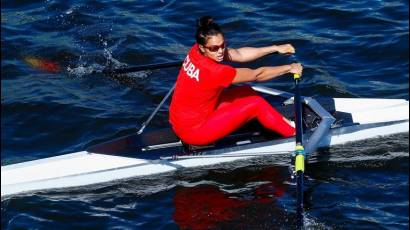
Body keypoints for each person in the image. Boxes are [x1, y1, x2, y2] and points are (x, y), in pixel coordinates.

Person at [169, 16, 303, 146]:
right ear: (203, 47)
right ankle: (294, 132)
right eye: (214, 48)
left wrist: (275, 48)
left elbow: (239, 54)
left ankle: (277, 122)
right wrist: (290, 68)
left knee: (247, 91)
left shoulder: (195, 51)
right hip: (193, 132)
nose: (220, 51)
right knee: (256, 103)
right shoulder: (216, 72)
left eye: (223, 45)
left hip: (180, 119)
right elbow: (257, 75)